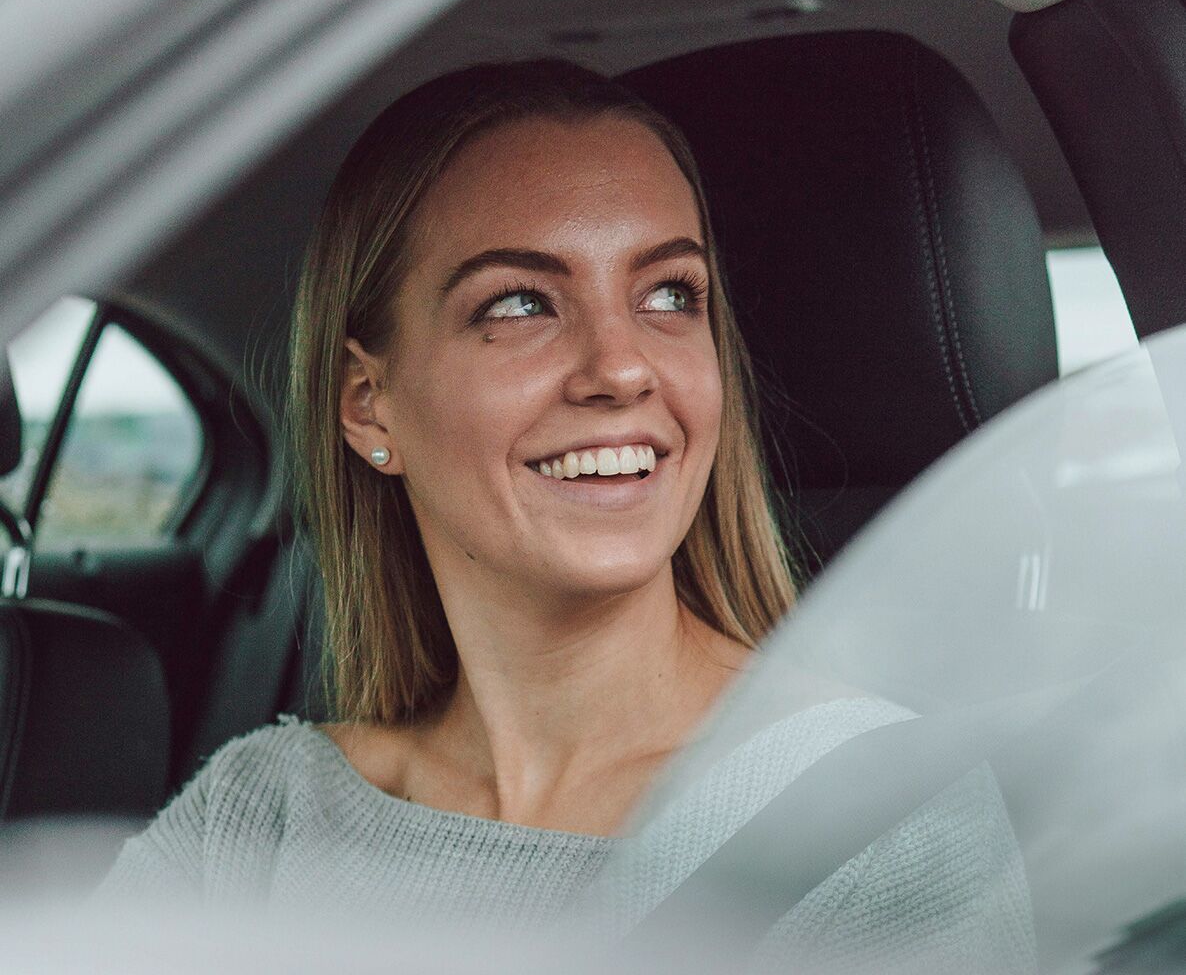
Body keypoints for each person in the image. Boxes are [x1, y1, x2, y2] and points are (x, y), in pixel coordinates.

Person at [97, 60, 1034, 971]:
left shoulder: (880, 822)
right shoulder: (260, 818)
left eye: (672, 294)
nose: (623, 368)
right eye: (519, 303)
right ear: (368, 404)